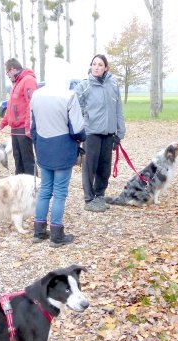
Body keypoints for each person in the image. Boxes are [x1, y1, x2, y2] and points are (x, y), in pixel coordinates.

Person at [30, 59, 86, 247]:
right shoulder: (69, 96)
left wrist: (38, 144)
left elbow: (33, 125)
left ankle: (38, 231)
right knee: (60, 192)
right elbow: (77, 128)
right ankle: (56, 234)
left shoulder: (36, 95)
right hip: (63, 148)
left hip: (43, 147)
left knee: (45, 190)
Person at [74, 54, 126, 212]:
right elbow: (75, 106)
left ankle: (99, 194)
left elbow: (118, 110)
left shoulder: (113, 84)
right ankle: (89, 199)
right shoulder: (84, 86)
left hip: (109, 133)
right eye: (94, 64)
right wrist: (82, 124)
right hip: (92, 132)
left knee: (105, 167)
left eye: (100, 65)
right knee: (90, 166)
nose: (96, 67)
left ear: (106, 68)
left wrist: (119, 132)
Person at [0, 58, 38, 175]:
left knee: (27, 161)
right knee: (18, 160)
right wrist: (2, 124)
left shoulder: (28, 80)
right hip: (15, 130)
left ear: (13, 69)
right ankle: (19, 188)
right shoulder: (16, 84)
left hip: (23, 129)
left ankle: (33, 187)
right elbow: (10, 107)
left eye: (7, 73)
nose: (8, 76)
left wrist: (28, 127)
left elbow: (32, 105)